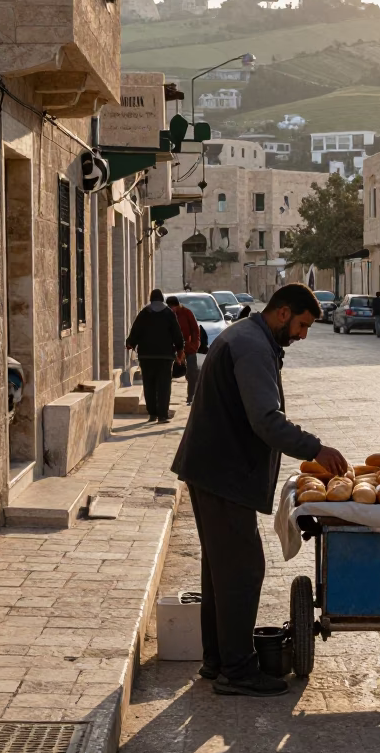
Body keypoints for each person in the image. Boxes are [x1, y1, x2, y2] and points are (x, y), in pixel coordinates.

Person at [171, 283, 348, 698]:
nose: (303, 335)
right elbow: (266, 420)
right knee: (243, 569)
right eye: (303, 324)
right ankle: (237, 670)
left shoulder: (249, 337)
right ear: (283, 313)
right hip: (222, 472)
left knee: (221, 571)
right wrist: (316, 448)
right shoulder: (252, 346)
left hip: (214, 469)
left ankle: (218, 661)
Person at [126, 289, 184, 424]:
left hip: (146, 356)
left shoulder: (144, 313)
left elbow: (135, 331)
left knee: (149, 385)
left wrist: (130, 343)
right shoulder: (169, 313)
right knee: (164, 386)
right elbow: (177, 333)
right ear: (162, 299)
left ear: (151, 299)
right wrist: (180, 350)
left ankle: (152, 414)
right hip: (165, 357)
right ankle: (162, 415)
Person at [166, 295, 201, 404]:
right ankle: (165, 399)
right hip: (173, 348)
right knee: (168, 373)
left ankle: (191, 396)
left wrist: (194, 345)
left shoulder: (187, 313)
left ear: (177, 306)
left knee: (192, 373)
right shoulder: (167, 315)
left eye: (173, 307)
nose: (172, 309)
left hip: (188, 347)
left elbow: (195, 330)